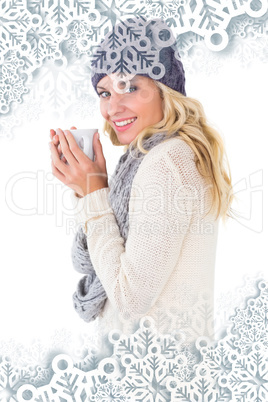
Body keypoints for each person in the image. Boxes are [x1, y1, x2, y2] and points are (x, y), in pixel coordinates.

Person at [49, 17, 234, 339]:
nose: (112, 108)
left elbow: (130, 300)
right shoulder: (157, 156)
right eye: (104, 93)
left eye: (130, 87)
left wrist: (93, 193)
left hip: (154, 375)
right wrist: (89, 187)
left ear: (166, 91)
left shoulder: (165, 161)